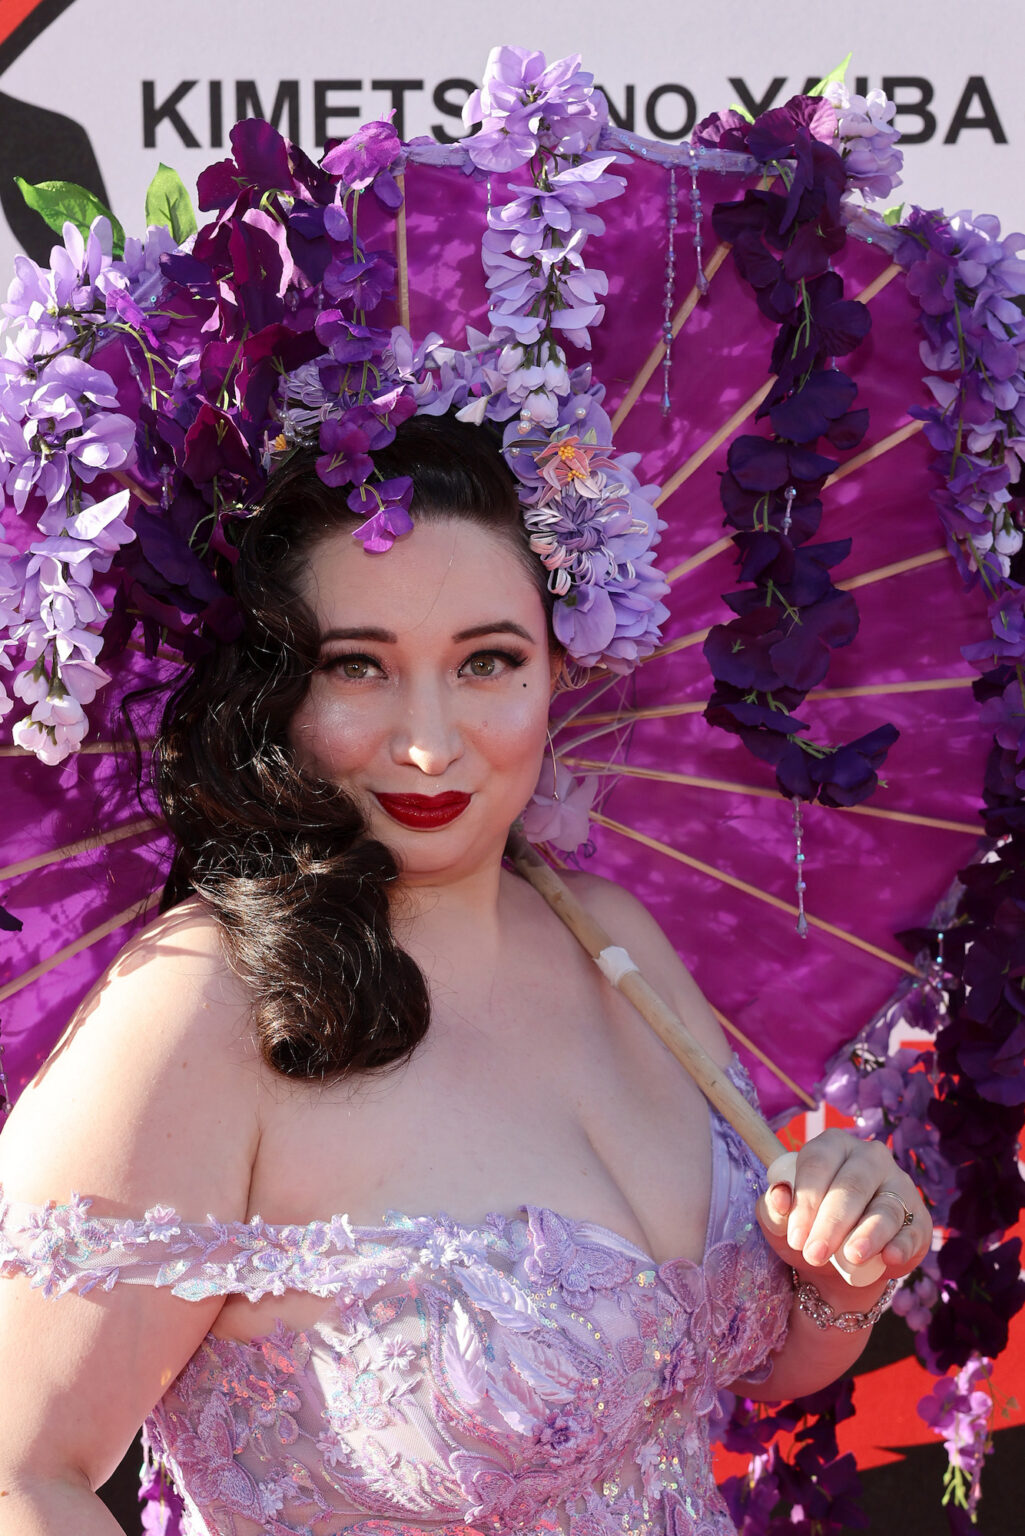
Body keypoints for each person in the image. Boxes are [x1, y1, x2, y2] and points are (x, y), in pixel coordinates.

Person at [0, 411, 931, 1536]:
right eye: (359, 667)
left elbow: (730, 1367)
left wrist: (833, 1280)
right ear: (278, 689)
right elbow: (23, 1473)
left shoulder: (607, 940)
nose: (430, 744)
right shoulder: (204, 1000)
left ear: (553, 669)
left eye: (487, 661)